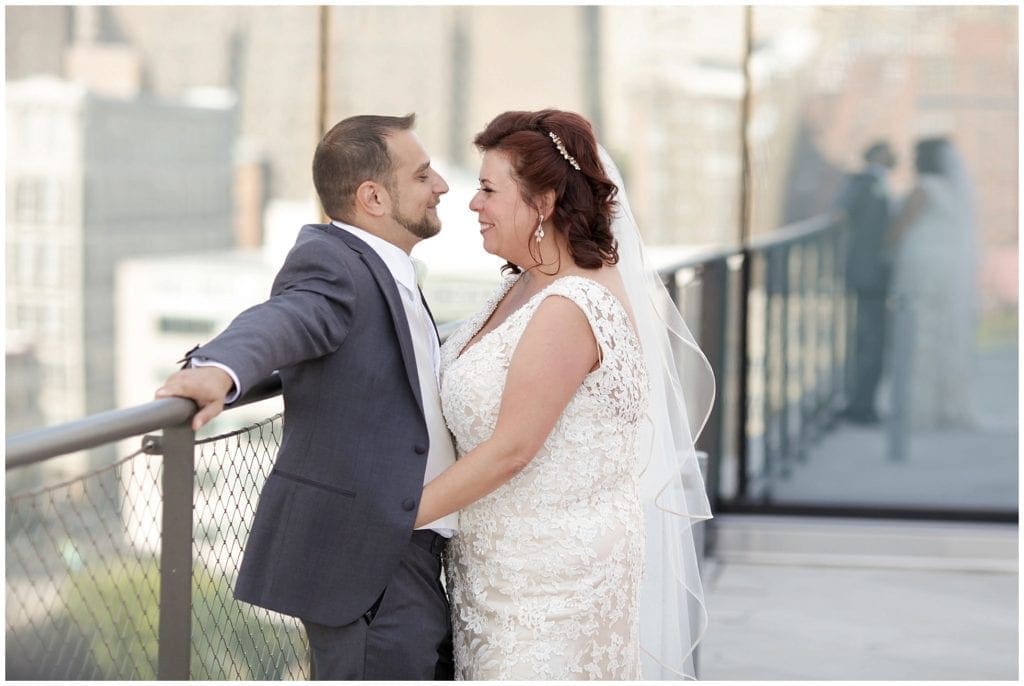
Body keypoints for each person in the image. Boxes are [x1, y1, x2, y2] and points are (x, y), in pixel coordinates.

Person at [411, 109, 715, 679]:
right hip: (497, 573)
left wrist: (394, 516)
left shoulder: (570, 306)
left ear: (544, 202)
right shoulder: (527, 283)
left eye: (487, 189)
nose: (472, 204)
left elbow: (512, 450)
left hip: (550, 587)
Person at [154, 114, 458, 680]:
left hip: (410, 546)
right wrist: (219, 368)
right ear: (373, 196)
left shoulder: (392, 267)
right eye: (422, 175)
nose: (440, 184)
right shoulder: (335, 266)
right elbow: (288, 317)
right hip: (371, 561)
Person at [888, 136, 978, 429]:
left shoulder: (924, 189)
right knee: (943, 333)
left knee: (918, 332)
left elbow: (900, 228)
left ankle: (918, 408)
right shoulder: (956, 191)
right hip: (948, 270)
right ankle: (946, 404)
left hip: (921, 267)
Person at [835, 140, 898, 424]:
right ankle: (860, 406)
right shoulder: (862, 183)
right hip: (867, 274)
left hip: (878, 274)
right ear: (876, 154)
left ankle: (864, 402)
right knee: (869, 340)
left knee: (874, 340)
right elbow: (841, 211)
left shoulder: (882, 183)